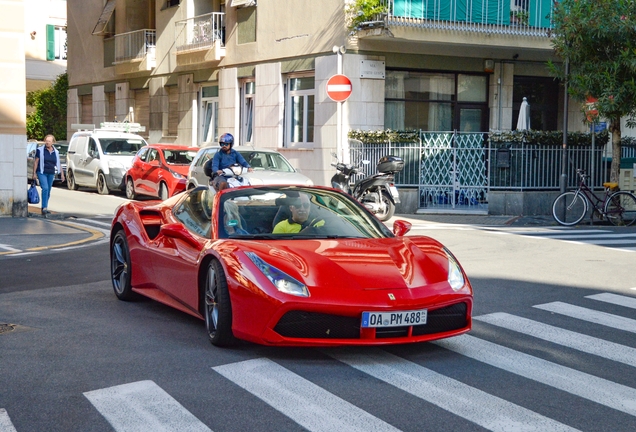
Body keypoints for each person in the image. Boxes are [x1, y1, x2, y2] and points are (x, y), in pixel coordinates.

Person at [32, 134, 64, 215]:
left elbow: (58, 163)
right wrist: (34, 173)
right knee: (45, 188)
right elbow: (36, 162)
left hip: (51, 173)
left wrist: (62, 174)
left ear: (53, 142)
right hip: (42, 172)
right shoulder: (40, 150)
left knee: (48, 190)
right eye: (46, 141)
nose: (47, 142)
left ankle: (44, 207)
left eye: (49, 141)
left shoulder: (56, 152)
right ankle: (44, 208)